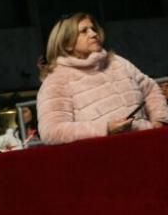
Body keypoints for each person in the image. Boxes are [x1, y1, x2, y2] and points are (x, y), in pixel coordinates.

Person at [36, 12, 168, 144]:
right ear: (67, 44)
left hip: (148, 144)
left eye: (93, 28)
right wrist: (106, 128)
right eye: (84, 31)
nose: (93, 34)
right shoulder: (56, 81)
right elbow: (52, 131)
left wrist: (159, 120)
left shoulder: (118, 62)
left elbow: (150, 90)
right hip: (103, 156)